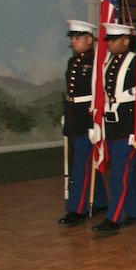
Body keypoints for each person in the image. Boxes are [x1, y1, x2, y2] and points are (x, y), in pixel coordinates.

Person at [91, 23, 136, 235]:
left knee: (118, 174)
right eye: (108, 40)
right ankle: (134, 211)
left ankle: (112, 217)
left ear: (126, 40)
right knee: (125, 173)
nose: (109, 44)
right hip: (111, 125)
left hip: (127, 126)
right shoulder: (109, 62)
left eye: (113, 40)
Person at [58, 19, 109, 227]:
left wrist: (94, 123)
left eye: (77, 38)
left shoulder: (97, 62)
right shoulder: (73, 62)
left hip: (87, 118)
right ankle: (99, 201)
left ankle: (76, 209)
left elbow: (99, 94)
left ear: (90, 39)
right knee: (85, 162)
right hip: (74, 116)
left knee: (80, 164)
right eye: (72, 38)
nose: (73, 42)